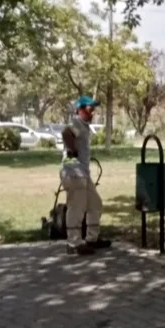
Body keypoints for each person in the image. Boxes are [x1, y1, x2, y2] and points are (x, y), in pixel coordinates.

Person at [60, 95, 111, 255]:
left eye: (93, 109)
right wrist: (72, 150)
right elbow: (66, 133)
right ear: (80, 110)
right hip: (74, 172)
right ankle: (73, 243)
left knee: (95, 204)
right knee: (76, 207)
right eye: (90, 109)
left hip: (83, 173)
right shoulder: (76, 122)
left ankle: (91, 239)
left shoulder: (84, 126)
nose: (93, 113)